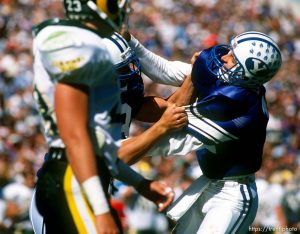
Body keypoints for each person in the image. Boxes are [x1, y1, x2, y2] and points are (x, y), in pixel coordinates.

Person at [30, 1, 176, 233]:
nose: (125, 9)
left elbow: (101, 149)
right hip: (70, 182)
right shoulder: (76, 48)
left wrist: (139, 183)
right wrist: (101, 210)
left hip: (83, 180)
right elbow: (77, 139)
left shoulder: (88, 43)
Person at [120, 31, 282, 233]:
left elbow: (167, 139)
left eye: (232, 58)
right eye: (230, 50)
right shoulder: (229, 80)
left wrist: (114, 149)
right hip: (209, 182)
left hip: (232, 196)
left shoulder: (237, 111)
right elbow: (163, 69)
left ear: (246, 72)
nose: (223, 56)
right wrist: (128, 39)